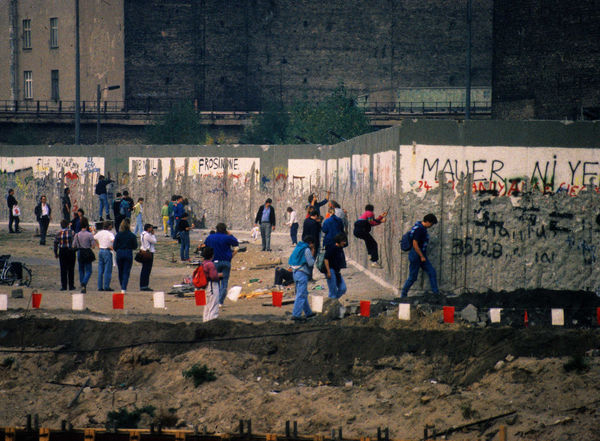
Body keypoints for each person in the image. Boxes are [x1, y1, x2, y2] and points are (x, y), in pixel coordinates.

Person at [401, 213, 439, 297]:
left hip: (420, 254)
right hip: (416, 255)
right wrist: (421, 256)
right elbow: (415, 244)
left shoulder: (420, 227)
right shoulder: (420, 229)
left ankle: (436, 294)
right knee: (413, 277)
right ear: (428, 222)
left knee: (432, 272)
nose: (431, 226)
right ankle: (403, 295)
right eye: (432, 224)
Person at [204, 222, 239, 304]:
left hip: (214, 262)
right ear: (225, 230)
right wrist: (230, 235)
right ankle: (220, 301)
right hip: (226, 261)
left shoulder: (210, 237)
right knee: (224, 282)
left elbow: (206, 246)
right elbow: (236, 243)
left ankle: (215, 300)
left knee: (215, 282)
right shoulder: (227, 238)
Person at [290, 236, 317, 321]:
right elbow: (311, 263)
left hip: (295, 273)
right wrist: (313, 251)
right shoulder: (307, 250)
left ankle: (308, 312)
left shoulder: (298, 247)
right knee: (301, 295)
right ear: (310, 243)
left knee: (303, 293)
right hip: (302, 273)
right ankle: (296, 314)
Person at [353, 204, 387, 268]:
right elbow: (372, 222)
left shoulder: (365, 214)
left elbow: (372, 221)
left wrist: (381, 217)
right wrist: (381, 221)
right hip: (361, 230)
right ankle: (374, 261)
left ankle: (370, 254)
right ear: (372, 209)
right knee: (374, 244)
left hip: (357, 231)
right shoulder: (370, 213)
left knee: (368, 241)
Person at [113, 218, 138, 292]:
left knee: (120, 271)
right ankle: (124, 287)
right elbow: (135, 246)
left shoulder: (118, 235)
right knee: (126, 271)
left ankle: (122, 285)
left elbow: (114, 246)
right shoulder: (132, 235)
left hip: (120, 253)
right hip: (128, 252)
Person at [201, 246, 223, 322]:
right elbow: (213, 276)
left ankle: (205, 322)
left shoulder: (203, 263)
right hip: (212, 286)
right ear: (212, 255)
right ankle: (212, 323)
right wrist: (220, 275)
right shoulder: (210, 264)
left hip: (205, 286)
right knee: (213, 306)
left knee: (207, 307)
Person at [73, 217, 94, 293]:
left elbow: (74, 245)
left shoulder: (77, 235)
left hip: (80, 252)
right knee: (89, 270)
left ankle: (82, 286)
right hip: (87, 251)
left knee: (81, 270)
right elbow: (93, 245)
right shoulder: (89, 234)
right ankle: (84, 283)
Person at [54, 219, 76, 291]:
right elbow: (75, 242)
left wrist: (56, 253)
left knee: (63, 269)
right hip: (70, 251)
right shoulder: (72, 232)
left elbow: (55, 244)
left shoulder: (58, 233)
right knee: (71, 269)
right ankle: (71, 285)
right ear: (67, 225)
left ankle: (64, 286)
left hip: (62, 251)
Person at [324, 233, 348, 299]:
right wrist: (328, 272)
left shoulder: (340, 249)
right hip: (331, 270)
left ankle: (334, 301)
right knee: (332, 292)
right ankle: (331, 305)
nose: (344, 243)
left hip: (337, 272)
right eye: (343, 241)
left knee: (343, 288)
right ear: (339, 241)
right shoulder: (332, 248)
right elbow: (326, 259)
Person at [94, 220, 115, 291]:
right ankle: (106, 286)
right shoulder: (110, 234)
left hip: (101, 250)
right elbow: (114, 241)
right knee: (107, 269)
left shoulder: (100, 232)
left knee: (100, 270)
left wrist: (98, 245)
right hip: (107, 250)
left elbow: (93, 238)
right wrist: (112, 247)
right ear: (109, 226)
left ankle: (99, 286)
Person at [139, 224, 157, 291]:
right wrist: (153, 235)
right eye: (151, 228)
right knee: (147, 270)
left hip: (143, 251)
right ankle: (144, 285)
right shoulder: (147, 235)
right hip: (148, 253)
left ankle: (143, 285)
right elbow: (154, 241)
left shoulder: (143, 233)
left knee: (144, 269)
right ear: (148, 228)